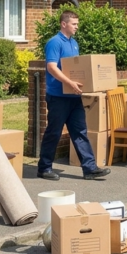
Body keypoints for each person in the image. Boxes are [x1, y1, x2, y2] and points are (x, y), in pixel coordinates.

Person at [39, 10, 110, 181]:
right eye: (74, 24)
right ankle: (44, 168)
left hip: (74, 97)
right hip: (58, 97)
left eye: (77, 24)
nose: (77, 27)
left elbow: (76, 69)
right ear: (64, 24)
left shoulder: (74, 43)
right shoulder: (54, 42)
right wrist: (70, 83)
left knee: (80, 132)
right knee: (54, 133)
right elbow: (51, 67)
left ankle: (90, 169)